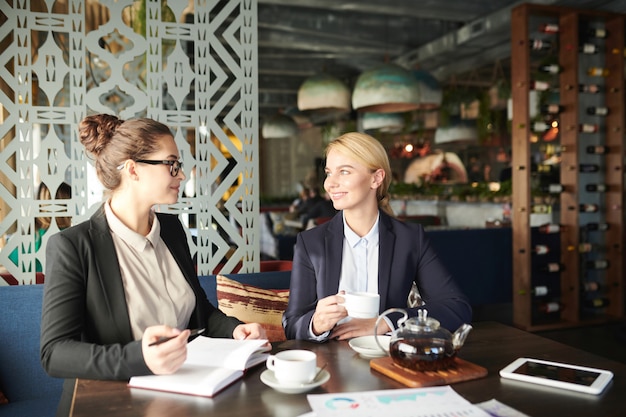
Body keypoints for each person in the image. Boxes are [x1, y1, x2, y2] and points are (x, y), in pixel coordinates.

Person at [40, 115, 266, 414]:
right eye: (172, 164)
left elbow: (198, 309)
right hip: (114, 401)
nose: (181, 174)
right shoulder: (75, 246)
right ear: (133, 169)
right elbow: (54, 353)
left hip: (188, 389)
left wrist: (234, 329)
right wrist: (140, 358)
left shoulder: (172, 230)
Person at [282, 132, 472, 341]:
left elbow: (457, 308)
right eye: (329, 173)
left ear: (376, 178)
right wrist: (315, 324)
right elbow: (291, 324)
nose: (330, 183)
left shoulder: (410, 239)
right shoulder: (311, 244)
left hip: (389, 360)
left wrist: (385, 322)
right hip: (331, 364)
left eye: (344, 172)